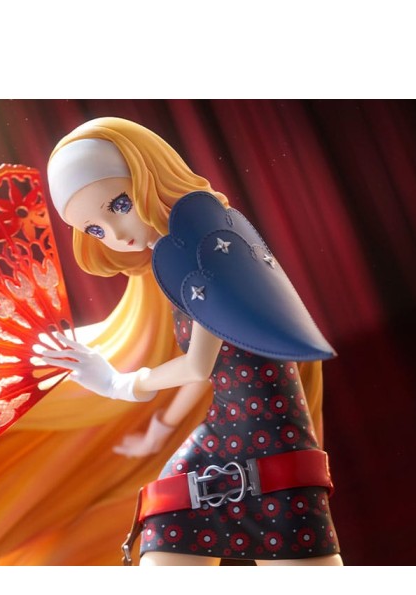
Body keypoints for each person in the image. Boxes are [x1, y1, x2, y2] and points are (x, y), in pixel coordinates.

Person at [39, 116, 342, 566]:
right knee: (164, 537)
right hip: (223, 438)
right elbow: (215, 371)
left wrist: (119, 384)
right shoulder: (180, 258)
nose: (116, 235)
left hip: (274, 443)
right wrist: (160, 429)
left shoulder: (213, 247)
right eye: (95, 230)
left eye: (119, 205)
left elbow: (198, 366)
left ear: (149, 175)